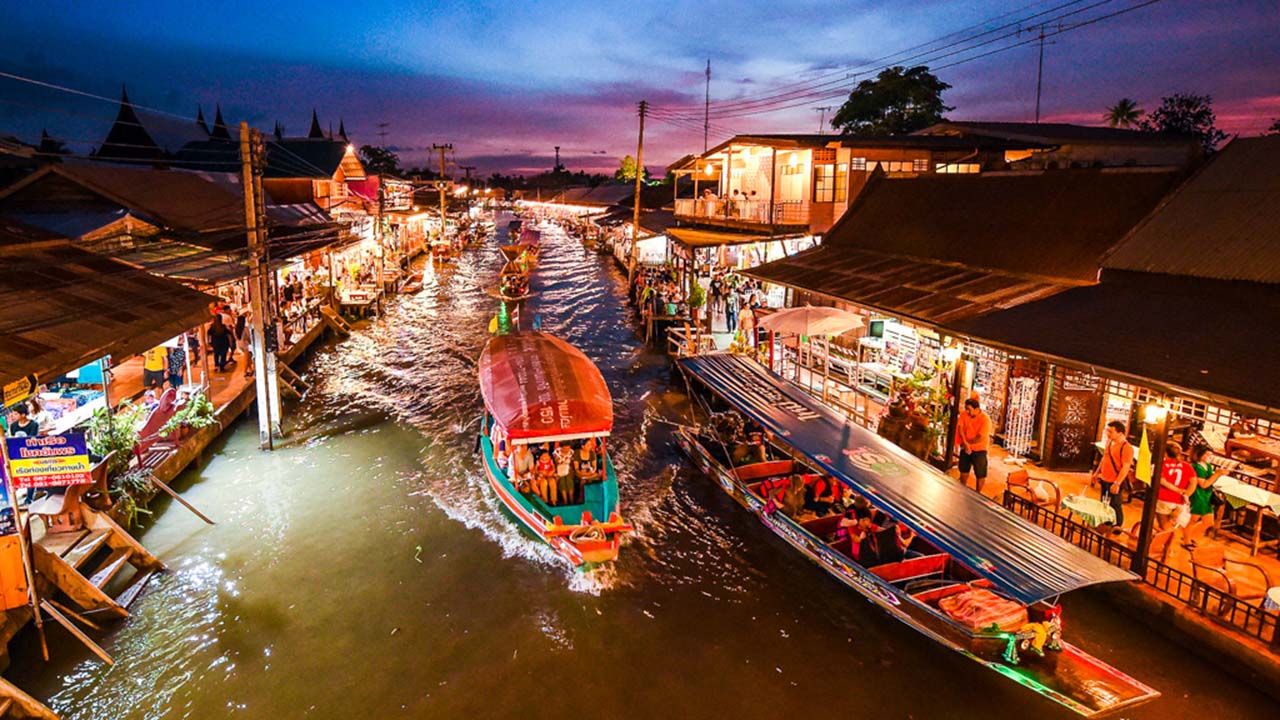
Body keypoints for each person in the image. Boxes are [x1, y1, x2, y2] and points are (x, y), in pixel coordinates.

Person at [1092, 421, 1134, 533]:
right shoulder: (1109, 443)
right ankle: (1106, 522)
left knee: (1115, 504)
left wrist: (1117, 483)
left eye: (1110, 431)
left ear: (1120, 433)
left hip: (1115, 480)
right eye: (1107, 430)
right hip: (1105, 478)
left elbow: (1125, 467)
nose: (1107, 433)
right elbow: (1104, 458)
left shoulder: (1126, 448)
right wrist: (1097, 473)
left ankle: (1117, 527)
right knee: (1104, 501)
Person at [1185, 445, 1225, 548]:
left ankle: (1189, 536)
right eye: (1207, 454)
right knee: (1193, 519)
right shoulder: (1196, 467)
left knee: (1208, 522)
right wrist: (1217, 474)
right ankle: (1186, 540)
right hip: (1198, 495)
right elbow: (1203, 484)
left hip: (1207, 496)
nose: (1210, 456)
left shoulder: (1207, 466)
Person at [955, 398, 992, 493]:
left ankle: (978, 493)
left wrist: (968, 444)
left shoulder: (985, 419)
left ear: (976, 409)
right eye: (966, 408)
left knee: (980, 473)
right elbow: (961, 428)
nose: (967, 411)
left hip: (980, 449)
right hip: (966, 446)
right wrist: (965, 443)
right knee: (963, 469)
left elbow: (980, 437)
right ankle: (962, 488)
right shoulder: (964, 414)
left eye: (969, 409)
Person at [1155, 442, 1194, 531]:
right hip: (1179, 501)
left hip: (1164, 499)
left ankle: (1166, 543)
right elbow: (1193, 482)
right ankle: (1166, 542)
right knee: (1171, 526)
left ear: (1165, 453)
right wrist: (1186, 494)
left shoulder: (1162, 464)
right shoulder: (1186, 466)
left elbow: (1162, 481)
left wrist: (1177, 490)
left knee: (1165, 526)